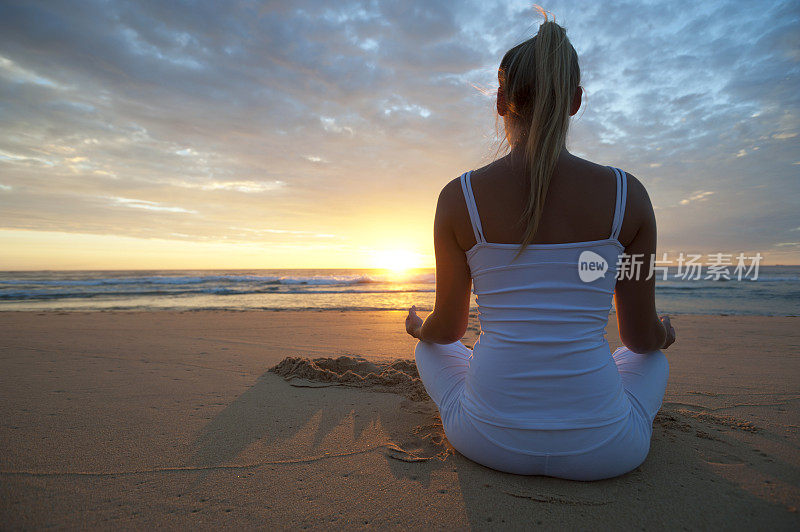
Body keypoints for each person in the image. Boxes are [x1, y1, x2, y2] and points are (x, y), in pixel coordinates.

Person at [404, 14, 675, 481]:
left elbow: (448, 329)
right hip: (608, 449)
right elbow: (638, 339)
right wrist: (663, 335)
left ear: (500, 99)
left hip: (486, 440)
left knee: (429, 349)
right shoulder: (629, 196)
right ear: (575, 102)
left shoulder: (459, 197)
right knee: (647, 357)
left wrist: (418, 328)